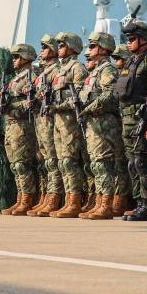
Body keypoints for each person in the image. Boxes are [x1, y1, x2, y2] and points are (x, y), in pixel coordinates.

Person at [114, 21, 147, 222]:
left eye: (132, 39)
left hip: (141, 118)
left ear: (144, 40)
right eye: (128, 39)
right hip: (127, 119)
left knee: (142, 162)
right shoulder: (131, 61)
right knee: (132, 163)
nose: (129, 42)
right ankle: (139, 202)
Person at [77, 31, 123, 220]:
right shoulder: (95, 71)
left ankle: (106, 205)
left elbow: (109, 94)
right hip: (93, 124)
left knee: (103, 164)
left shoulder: (107, 70)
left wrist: (89, 108)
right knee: (96, 164)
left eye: (93, 46)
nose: (89, 50)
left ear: (103, 49)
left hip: (103, 123)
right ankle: (98, 202)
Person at [49, 32, 89, 218]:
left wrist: (58, 105)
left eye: (62, 45)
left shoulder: (77, 68)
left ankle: (75, 201)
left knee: (69, 161)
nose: (59, 48)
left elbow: (79, 96)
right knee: (61, 162)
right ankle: (67, 200)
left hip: (70, 121)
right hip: (58, 120)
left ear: (72, 47)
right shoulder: (59, 70)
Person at [0, 44, 41, 216]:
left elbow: (34, 100)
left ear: (26, 58)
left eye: (17, 57)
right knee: (15, 165)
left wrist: (13, 106)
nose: (14, 60)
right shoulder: (15, 78)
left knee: (22, 164)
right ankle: (20, 198)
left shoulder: (33, 75)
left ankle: (27, 199)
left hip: (23, 124)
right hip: (11, 124)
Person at [28, 36, 65, 217]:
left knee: (52, 161)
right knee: (43, 162)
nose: (42, 50)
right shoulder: (44, 72)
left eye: (45, 47)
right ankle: (45, 196)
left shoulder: (56, 70)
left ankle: (54, 198)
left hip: (49, 120)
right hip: (40, 119)